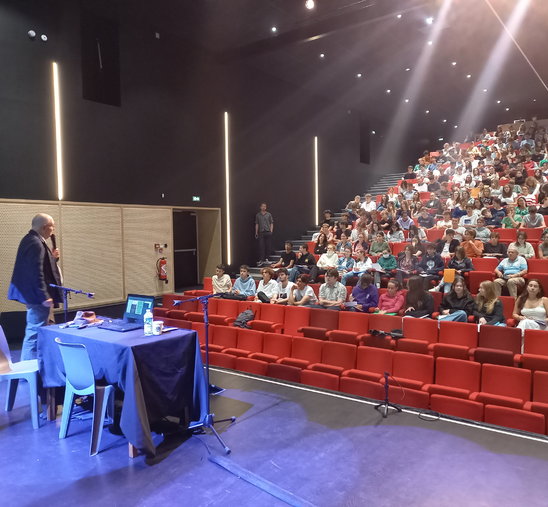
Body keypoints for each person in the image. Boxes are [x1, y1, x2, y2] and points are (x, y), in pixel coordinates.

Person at [8, 213, 62, 360]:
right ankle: (29, 367)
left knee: (36, 330)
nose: (53, 230)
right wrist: (44, 296)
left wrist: (52, 258)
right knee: (34, 332)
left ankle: (36, 365)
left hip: (32, 295)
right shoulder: (35, 243)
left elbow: (40, 267)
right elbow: (35, 272)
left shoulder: (31, 240)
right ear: (45, 227)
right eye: (52, 226)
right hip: (36, 297)